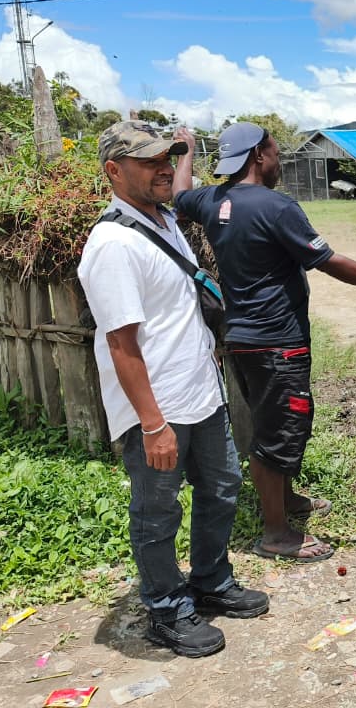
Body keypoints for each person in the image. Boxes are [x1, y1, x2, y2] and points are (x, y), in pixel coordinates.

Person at [173, 122, 356, 562]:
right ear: (258, 155)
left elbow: (178, 194)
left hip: (243, 338)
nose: (278, 161)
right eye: (274, 152)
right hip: (277, 343)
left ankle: (286, 501)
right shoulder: (276, 207)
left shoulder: (211, 201)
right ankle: (277, 533)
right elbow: (328, 261)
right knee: (279, 432)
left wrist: (187, 151)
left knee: (272, 423)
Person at [78, 121, 268, 658]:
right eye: (149, 161)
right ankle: (165, 608)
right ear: (114, 171)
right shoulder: (113, 243)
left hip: (200, 396)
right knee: (157, 513)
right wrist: (153, 423)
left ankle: (210, 580)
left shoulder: (161, 221)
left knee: (222, 487)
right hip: (158, 409)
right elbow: (121, 344)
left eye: (169, 156)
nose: (164, 167)